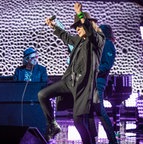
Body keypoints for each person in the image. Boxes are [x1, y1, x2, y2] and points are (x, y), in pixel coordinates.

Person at [38, 2, 105, 144]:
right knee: (42, 94)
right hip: (69, 81)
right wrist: (53, 26)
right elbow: (66, 37)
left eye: (80, 26)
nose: (78, 29)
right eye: (77, 28)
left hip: (83, 86)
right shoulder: (79, 41)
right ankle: (52, 125)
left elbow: (91, 32)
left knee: (78, 122)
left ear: (89, 24)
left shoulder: (97, 40)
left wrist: (80, 13)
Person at [89, 24, 117, 144]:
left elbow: (107, 65)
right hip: (91, 81)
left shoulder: (108, 44)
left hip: (99, 82)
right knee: (88, 110)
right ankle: (91, 139)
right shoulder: (99, 44)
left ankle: (112, 139)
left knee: (100, 109)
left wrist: (94, 69)